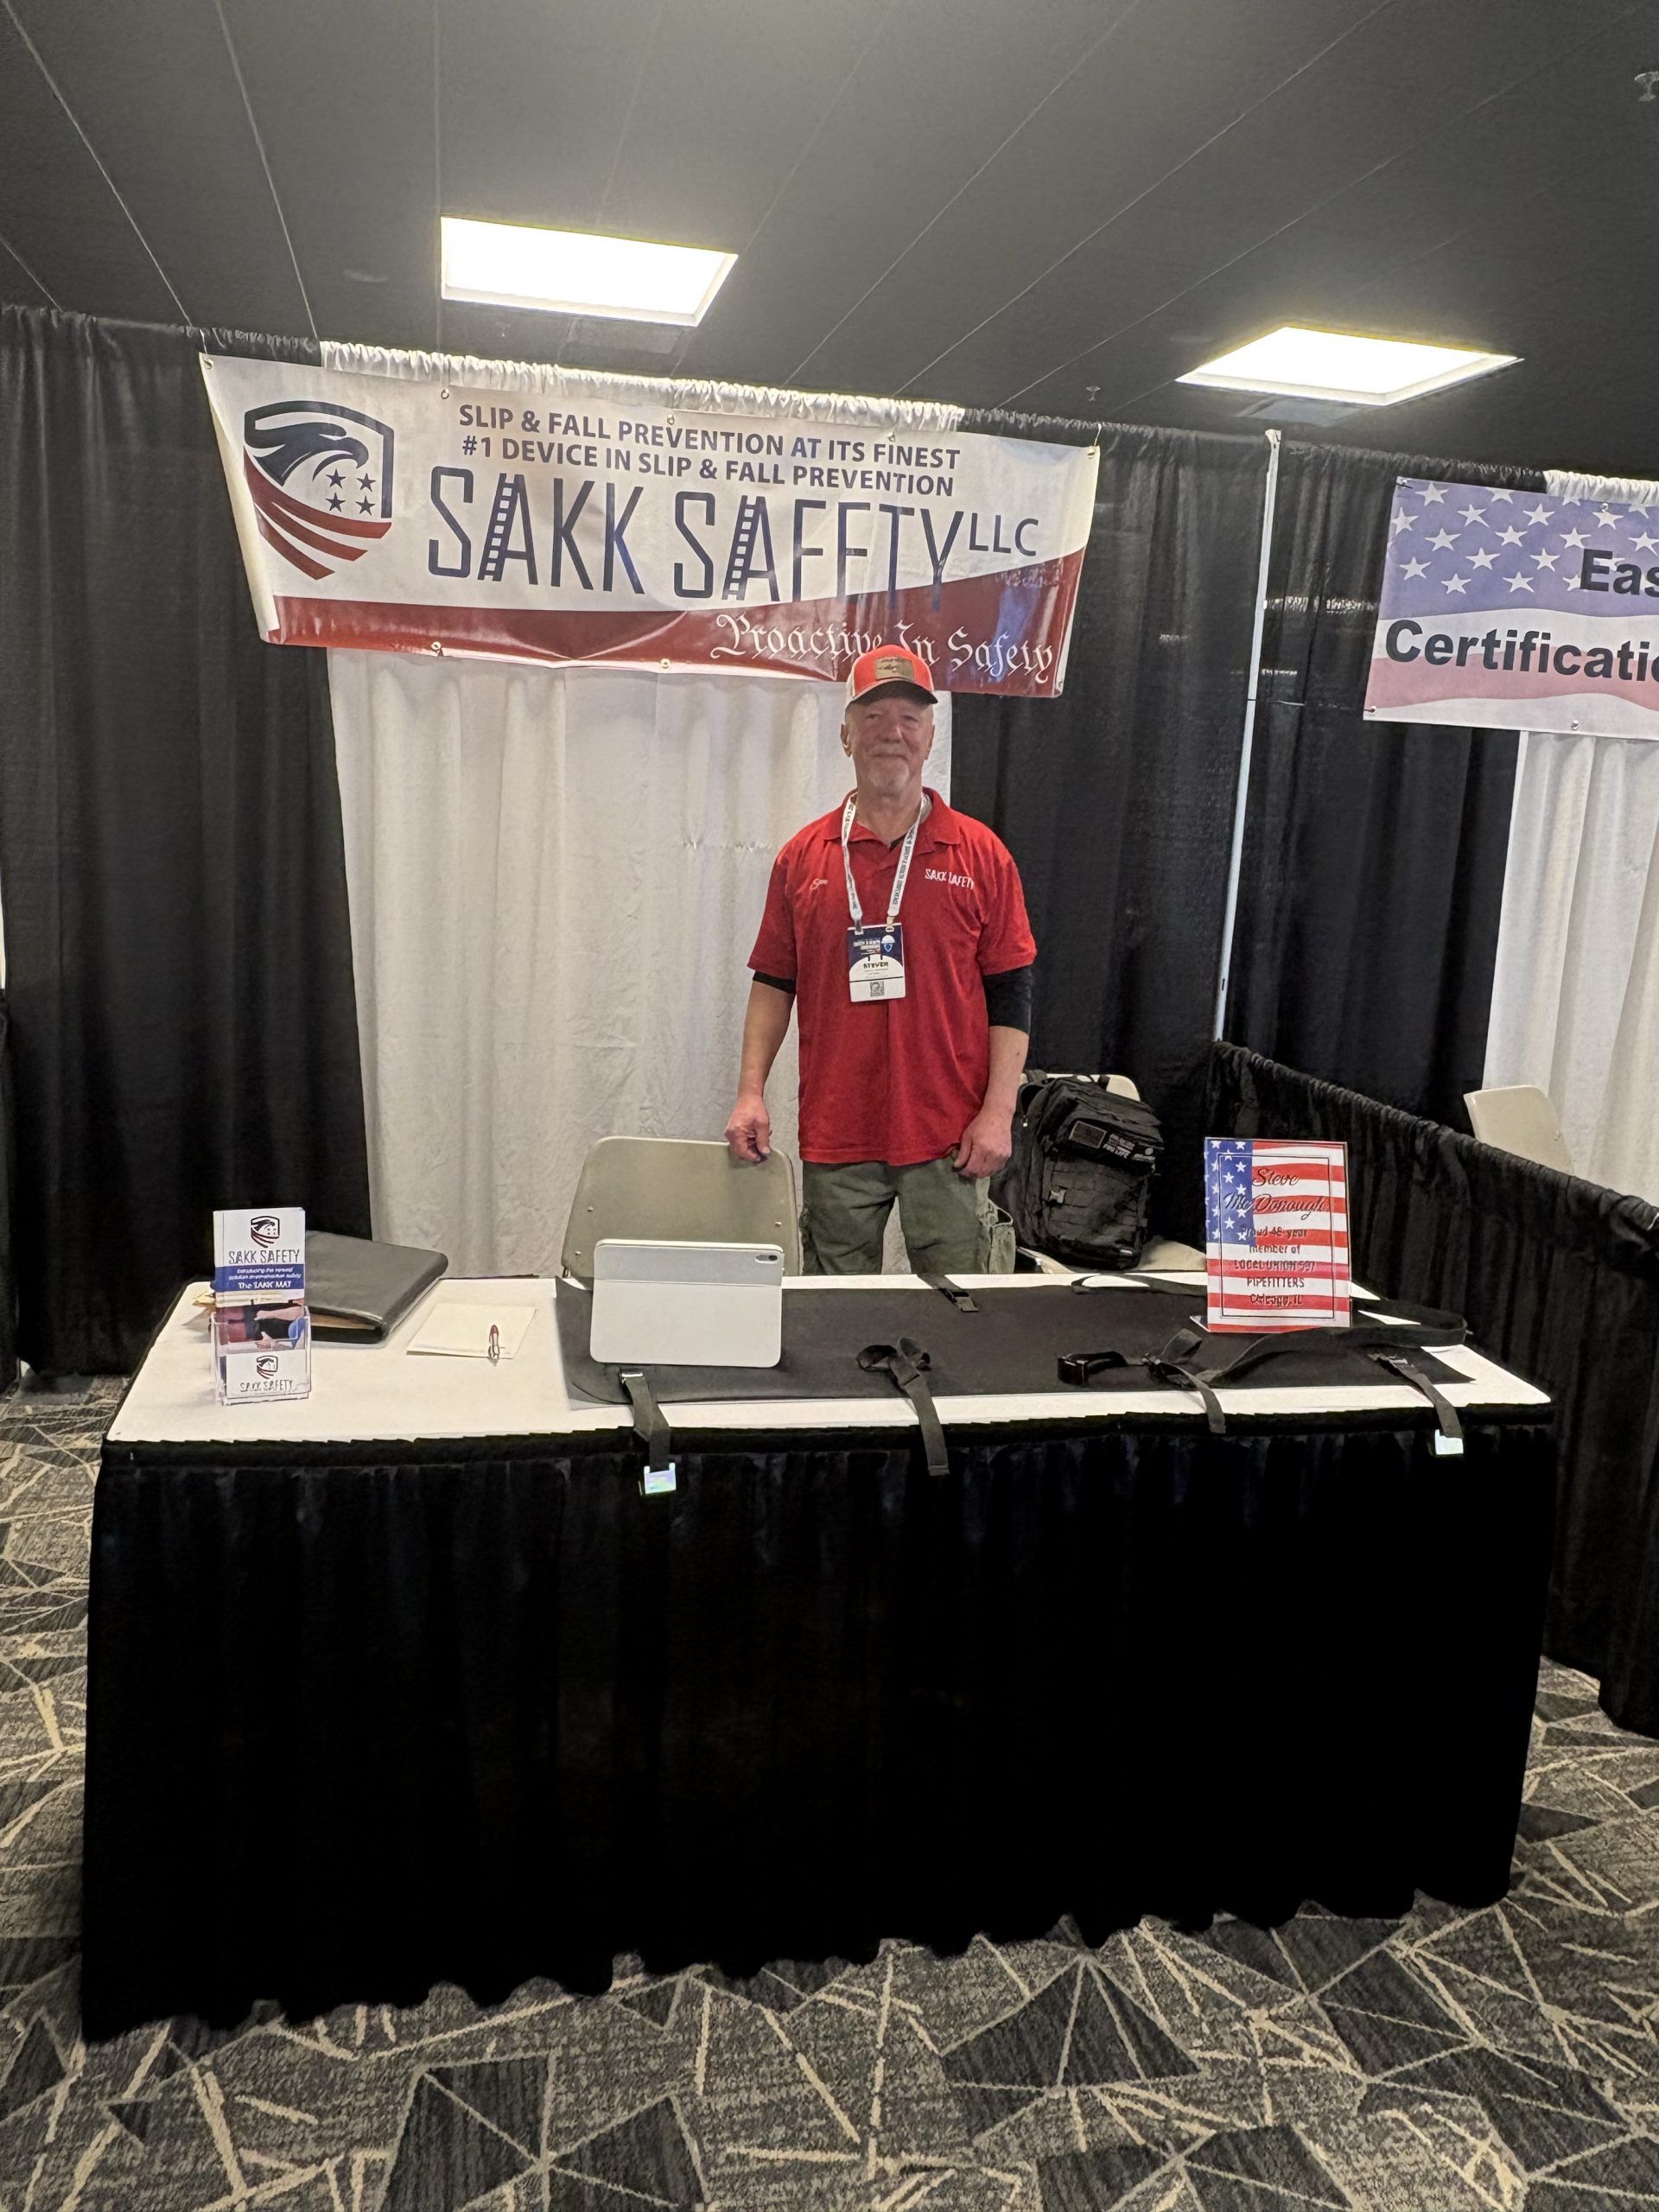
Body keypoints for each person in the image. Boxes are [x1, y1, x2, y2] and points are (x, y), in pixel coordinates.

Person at [724, 644, 1036, 1274]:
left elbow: (1011, 992)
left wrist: (999, 1112)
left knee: (961, 1311)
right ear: (845, 736)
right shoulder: (803, 858)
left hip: (949, 1136)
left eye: (909, 718)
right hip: (838, 1133)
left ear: (930, 737)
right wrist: (749, 1093)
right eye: (872, 717)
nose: (891, 733)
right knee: (839, 1313)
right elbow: (774, 982)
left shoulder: (981, 856)